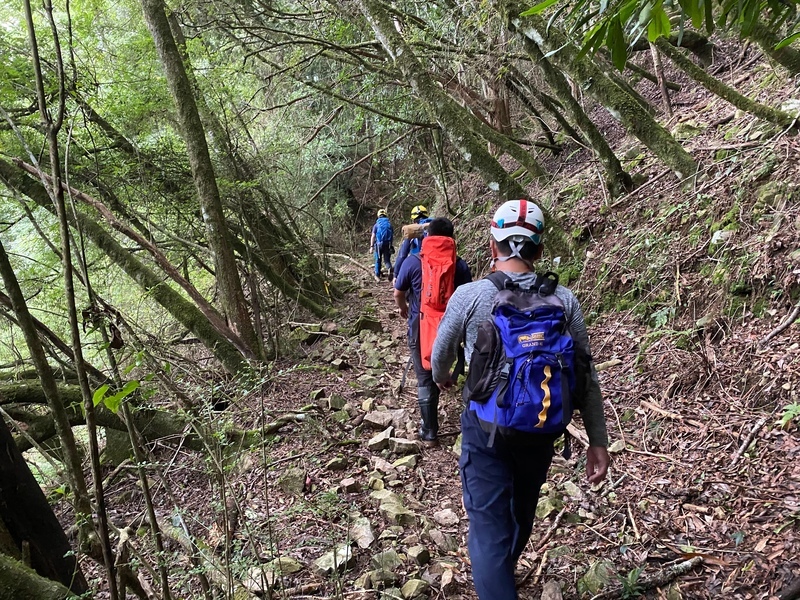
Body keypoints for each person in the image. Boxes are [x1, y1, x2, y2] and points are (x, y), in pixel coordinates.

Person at [430, 199, 610, 600]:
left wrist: (445, 377)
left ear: (492, 246)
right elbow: (585, 375)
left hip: (486, 428)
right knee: (520, 513)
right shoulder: (564, 300)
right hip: (542, 426)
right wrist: (597, 440)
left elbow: (439, 357)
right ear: (539, 251)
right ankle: (501, 577)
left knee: (488, 529)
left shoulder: (471, 295)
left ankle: (496, 581)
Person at [394, 217, 472, 446]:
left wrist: (405, 309)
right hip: (452, 326)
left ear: (427, 237)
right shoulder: (460, 265)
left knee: (424, 376)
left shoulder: (413, 261)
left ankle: (429, 432)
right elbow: (466, 298)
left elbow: (398, 292)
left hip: (420, 326)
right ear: (452, 239)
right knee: (445, 362)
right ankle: (450, 383)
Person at [393, 205, 432, 280]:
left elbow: (402, 255)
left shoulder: (412, 231)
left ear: (413, 220)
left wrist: (396, 274)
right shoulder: (437, 226)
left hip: (419, 266)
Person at [369, 209, 394, 282]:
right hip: (387, 244)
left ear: (378, 216)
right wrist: (391, 245)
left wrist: (371, 247)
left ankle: (377, 275)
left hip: (378, 245)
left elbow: (373, 236)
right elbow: (392, 235)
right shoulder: (389, 224)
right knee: (387, 260)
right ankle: (389, 269)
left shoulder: (376, 225)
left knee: (378, 260)